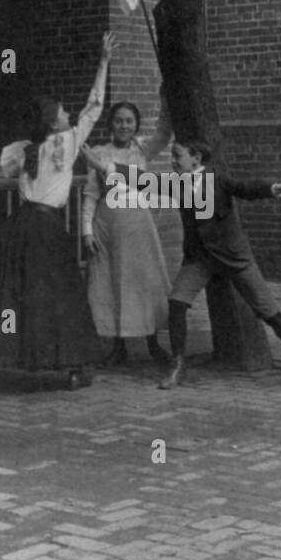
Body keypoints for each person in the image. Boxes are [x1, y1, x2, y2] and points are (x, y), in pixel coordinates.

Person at [0, 33, 115, 393]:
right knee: (59, 293)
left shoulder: (21, 149)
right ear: (53, 122)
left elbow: (0, 169)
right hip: (47, 229)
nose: (69, 115)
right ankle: (69, 362)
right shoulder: (67, 141)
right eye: (62, 113)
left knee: (4, 292)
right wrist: (103, 61)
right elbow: (95, 105)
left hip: (20, 226)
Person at [159, 137, 281, 389]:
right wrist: (104, 167)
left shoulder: (218, 179)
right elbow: (140, 180)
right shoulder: (175, 184)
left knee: (268, 310)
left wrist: (276, 187)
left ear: (196, 158)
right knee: (177, 302)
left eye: (177, 155)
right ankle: (178, 364)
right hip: (200, 257)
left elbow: (248, 188)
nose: (172, 161)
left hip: (234, 256)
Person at [81, 96, 173, 367]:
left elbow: (165, 133)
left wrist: (165, 96)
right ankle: (117, 346)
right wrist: (87, 231)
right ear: (111, 124)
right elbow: (90, 195)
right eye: (119, 121)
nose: (124, 126)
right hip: (107, 226)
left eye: (129, 121)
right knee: (112, 283)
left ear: (136, 125)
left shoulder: (143, 149)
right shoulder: (98, 153)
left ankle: (153, 343)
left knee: (144, 282)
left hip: (138, 226)